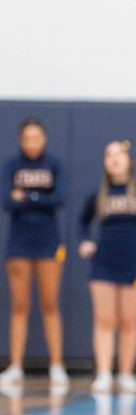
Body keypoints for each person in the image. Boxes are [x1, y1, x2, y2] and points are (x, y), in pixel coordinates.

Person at [78, 140, 136, 395]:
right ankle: (104, 373)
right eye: (109, 155)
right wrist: (84, 241)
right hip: (103, 262)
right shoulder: (98, 194)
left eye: (119, 154)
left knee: (129, 321)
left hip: (134, 262)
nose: (114, 159)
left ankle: (126, 374)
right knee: (104, 320)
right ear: (105, 162)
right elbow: (82, 222)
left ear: (130, 161)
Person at [0, 118, 68, 393]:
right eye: (27, 138)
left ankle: (57, 366)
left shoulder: (54, 164)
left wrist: (27, 197)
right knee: (19, 305)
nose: (32, 143)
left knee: (50, 304)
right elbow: (6, 201)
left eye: (36, 137)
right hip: (19, 243)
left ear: (44, 139)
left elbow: (60, 198)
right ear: (20, 140)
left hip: (48, 242)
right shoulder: (11, 165)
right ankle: (15, 366)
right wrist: (39, 197)